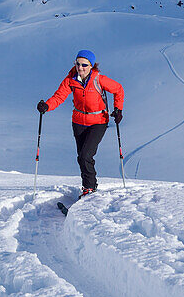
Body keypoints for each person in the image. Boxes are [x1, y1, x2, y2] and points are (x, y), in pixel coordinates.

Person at [37, 49, 123, 197]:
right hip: (78, 122)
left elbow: (118, 89)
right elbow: (59, 96)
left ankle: (89, 187)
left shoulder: (99, 79)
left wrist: (118, 109)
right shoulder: (71, 79)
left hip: (98, 122)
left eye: (84, 64)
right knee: (81, 157)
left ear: (92, 66)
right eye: (78, 64)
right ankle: (88, 186)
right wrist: (47, 106)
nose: (80, 67)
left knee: (85, 155)